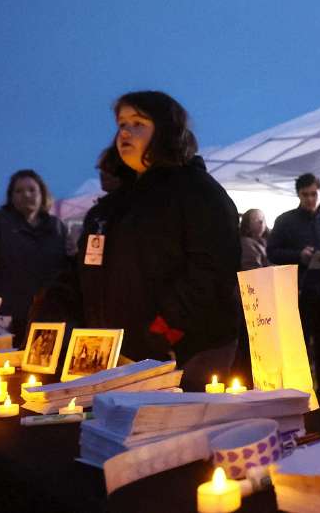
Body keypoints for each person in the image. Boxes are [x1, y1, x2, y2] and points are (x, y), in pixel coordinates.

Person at [71, 91, 242, 391]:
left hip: (190, 357)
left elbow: (211, 272)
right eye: (122, 123)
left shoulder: (198, 192)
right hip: (127, 356)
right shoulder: (115, 205)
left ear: (165, 130)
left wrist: (163, 332)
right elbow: (90, 269)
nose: (125, 131)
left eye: (138, 123)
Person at [267, 174, 320, 405]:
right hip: (298, 293)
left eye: (314, 194)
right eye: (305, 194)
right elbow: (272, 252)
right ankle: (300, 394)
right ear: (298, 195)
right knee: (299, 347)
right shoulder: (285, 221)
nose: (310, 199)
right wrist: (298, 255)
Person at [0, 170, 70, 342]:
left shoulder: (56, 226)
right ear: (11, 196)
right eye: (19, 191)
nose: (26, 195)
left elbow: (63, 267)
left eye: (32, 190)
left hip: (48, 316)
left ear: (42, 194)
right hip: (5, 316)